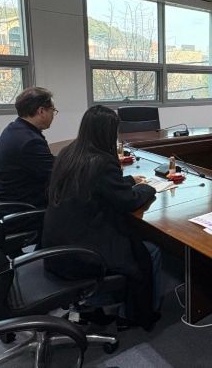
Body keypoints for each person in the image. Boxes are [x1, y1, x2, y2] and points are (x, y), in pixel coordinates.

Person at [42, 105, 160, 330]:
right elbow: (128, 201)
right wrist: (148, 187)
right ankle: (135, 315)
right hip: (83, 252)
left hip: (57, 244)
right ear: (107, 132)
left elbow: (100, 187)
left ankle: (107, 302)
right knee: (149, 251)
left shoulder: (70, 153)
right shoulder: (102, 162)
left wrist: (129, 181)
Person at [0, 87, 56, 208]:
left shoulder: (15, 128)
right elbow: (56, 174)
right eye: (52, 110)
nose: (53, 115)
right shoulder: (30, 141)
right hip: (24, 208)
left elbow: (44, 162)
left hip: (10, 199)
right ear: (41, 111)